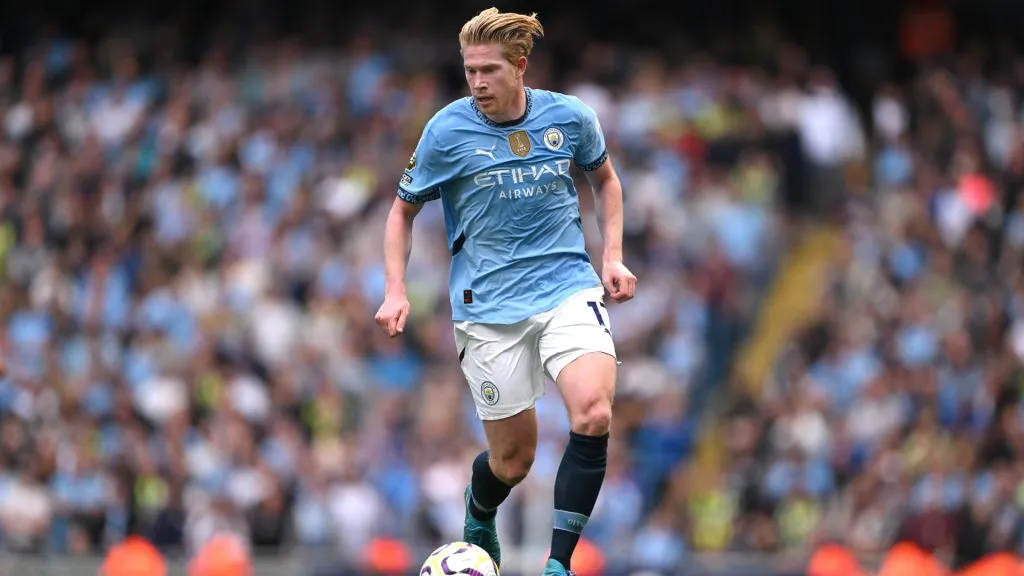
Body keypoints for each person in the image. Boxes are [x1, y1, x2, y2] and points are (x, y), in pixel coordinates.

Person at [373, 7, 636, 576]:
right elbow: (401, 212)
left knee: (592, 412)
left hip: (566, 287)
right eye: (469, 71)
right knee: (514, 461)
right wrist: (395, 289)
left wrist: (611, 255)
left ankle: (558, 564)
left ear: (520, 67)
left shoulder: (570, 117)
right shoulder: (447, 130)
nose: (476, 83)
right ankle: (478, 510)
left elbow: (606, 180)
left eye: (488, 70)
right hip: (487, 312)